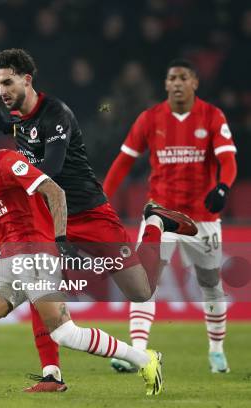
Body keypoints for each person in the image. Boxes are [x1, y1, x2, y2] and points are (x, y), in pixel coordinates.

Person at [0, 114, 164, 397]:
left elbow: (55, 192)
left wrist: (60, 240)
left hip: (37, 256)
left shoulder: (9, 162)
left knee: (65, 333)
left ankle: (146, 360)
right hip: (9, 262)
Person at [0, 48, 197, 391]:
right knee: (40, 285)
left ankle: (155, 223)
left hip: (90, 213)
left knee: (141, 292)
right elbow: (28, 136)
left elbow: (50, 170)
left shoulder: (56, 113)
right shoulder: (19, 118)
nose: (2, 90)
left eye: (7, 82)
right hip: (50, 216)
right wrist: (6, 125)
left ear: (27, 79)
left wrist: (10, 179)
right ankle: (52, 374)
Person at [103, 59, 237, 374]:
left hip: (202, 217)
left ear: (194, 83)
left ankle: (216, 351)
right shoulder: (150, 118)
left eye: (183, 77)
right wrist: (102, 198)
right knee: (142, 284)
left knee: (210, 285)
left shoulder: (212, 116)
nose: (176, 82)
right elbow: (123, 162)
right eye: (171, 77)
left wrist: (222, 187)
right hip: (160, 215)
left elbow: (228, 160)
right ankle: (137, 354)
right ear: (165, 85)